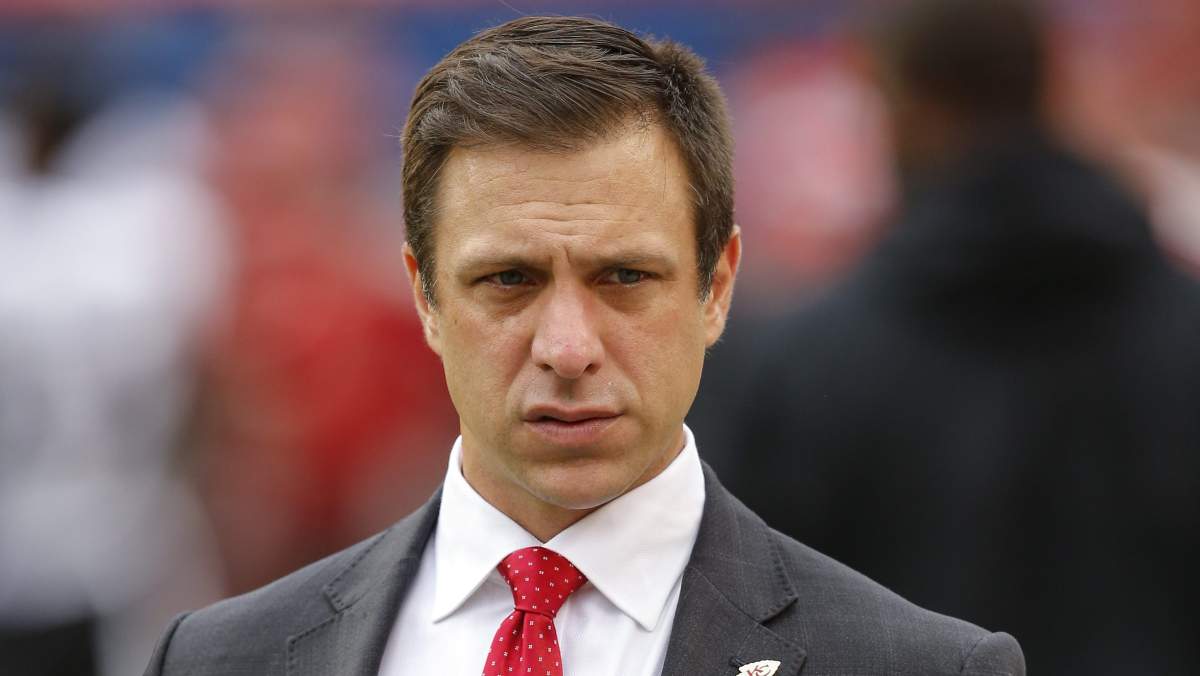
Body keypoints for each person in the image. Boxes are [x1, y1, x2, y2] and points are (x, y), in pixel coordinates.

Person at [143, 16, 1024, 676]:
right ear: (425, 295)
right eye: (508, 280)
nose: (567, 349)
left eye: (625, 277)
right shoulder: (218, 660)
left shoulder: (919, 667)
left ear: (717, 287)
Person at [703, 1, 1200, 674]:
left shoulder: (811, 361)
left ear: (907, 104)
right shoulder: (1181, 326)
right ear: (1045, 84)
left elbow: (760, 618)